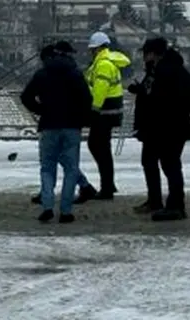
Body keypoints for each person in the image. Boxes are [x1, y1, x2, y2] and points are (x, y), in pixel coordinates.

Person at [20, 41, 93, 223]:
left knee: (47, 168)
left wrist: (41, 110)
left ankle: (47, 206)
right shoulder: (76, 74)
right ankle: (66, 211)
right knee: (70, 169)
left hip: (48, 125)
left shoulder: (42, 73)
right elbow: (87, 99)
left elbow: (25, 96)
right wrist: (81, 118)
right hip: (71, 126)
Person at [130, 37, 190, 222]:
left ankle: (176, 205)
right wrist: (140, 90)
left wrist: (145, 94)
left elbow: (165, 99)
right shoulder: (161, 70)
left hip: (167, 127)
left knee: (170, 165)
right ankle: (156, 200)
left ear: (153, 53)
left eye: (146, 53)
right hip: (159, 127)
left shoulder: (167, 71)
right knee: (151, 161)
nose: (144, 57)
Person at [73, 31, 129, 203]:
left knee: (98, 146)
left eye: (92, 49)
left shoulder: (103, 64)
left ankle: (107, 187)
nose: (91, 52)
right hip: (110, 112)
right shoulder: (108, 62)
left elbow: (100, 89)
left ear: (97, 49)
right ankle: (108, 184)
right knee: (101, 147)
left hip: (104, 112)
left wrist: (93, 109)